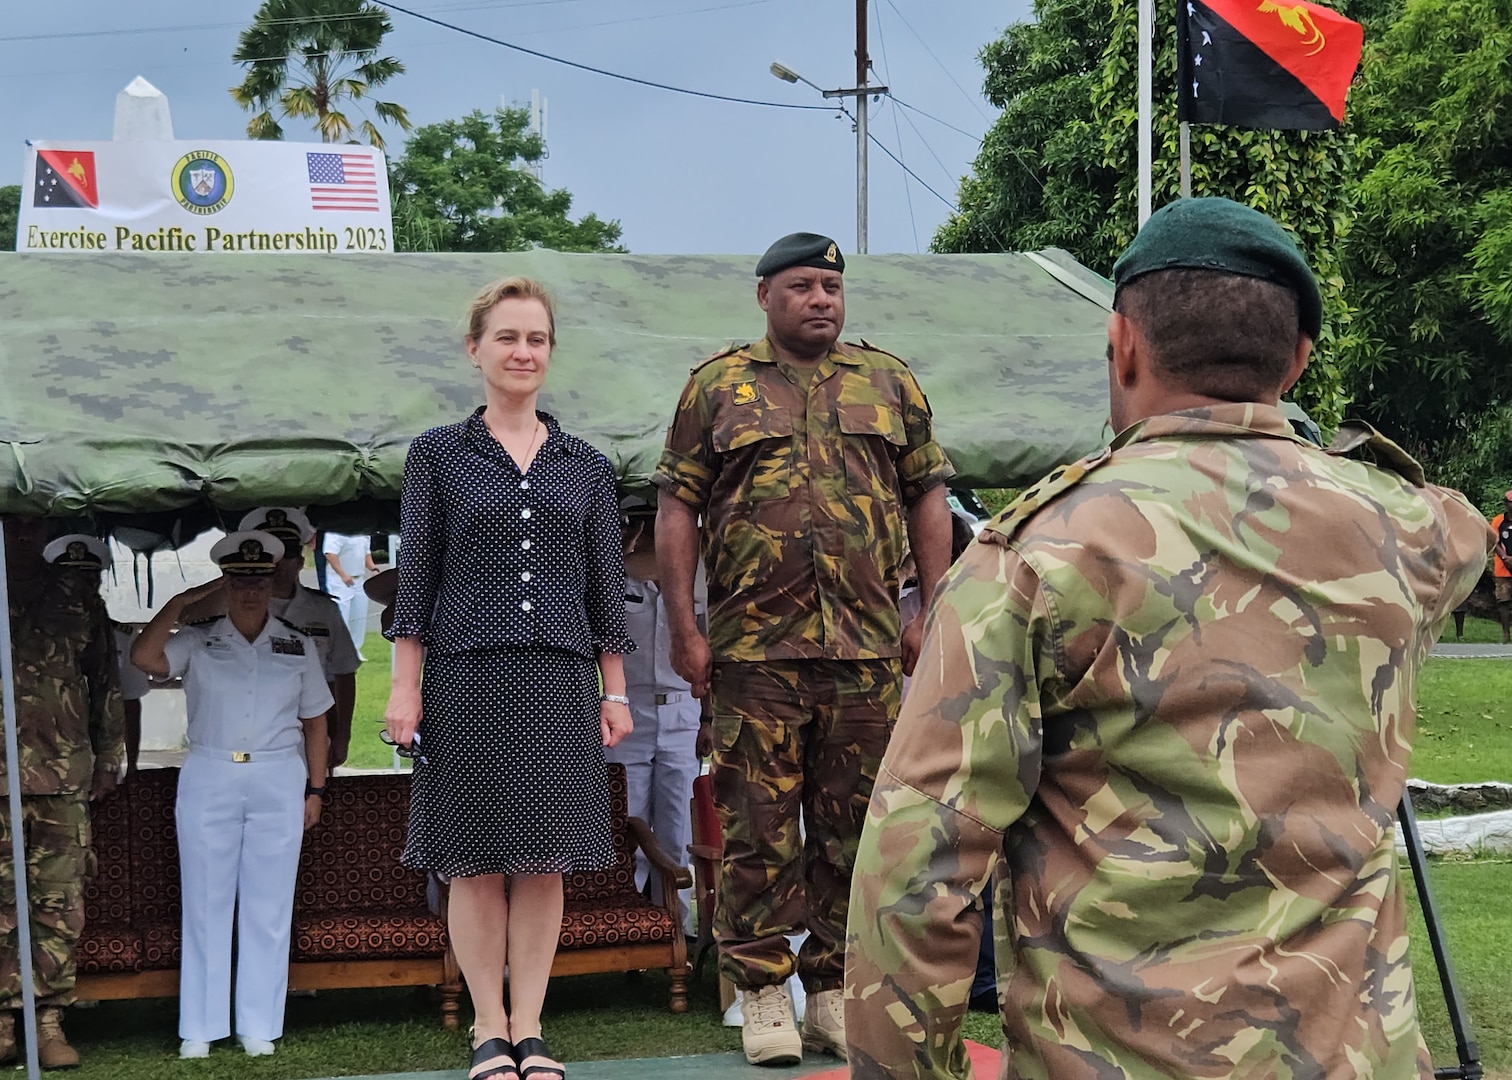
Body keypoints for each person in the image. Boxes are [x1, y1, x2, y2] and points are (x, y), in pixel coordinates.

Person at [843, 197, 1494, 1079]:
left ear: (1122, 344)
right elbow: (1469, 537)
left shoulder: (1032, 558)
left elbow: (915, 870)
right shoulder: (1411, 532)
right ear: (1298, 360)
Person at [653, 232, 954, 1066]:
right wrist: (685, 626)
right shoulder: (717, 387)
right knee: (757, 827)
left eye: (831, 285)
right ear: (764, 297)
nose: (820, 298)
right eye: (801, 286)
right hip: (755, 653)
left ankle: (828, 991)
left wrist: (932, 608)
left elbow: (929, 494)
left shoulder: (888, 382)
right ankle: (759, 994)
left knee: (854, 830)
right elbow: (677, 508)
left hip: (864, 650)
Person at [383, 276, 634, 1080]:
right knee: (472, 859)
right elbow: (415, 579)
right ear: (475, 350)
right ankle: (486, 1026)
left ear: (550, 354)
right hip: (465, 677)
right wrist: (403, 686)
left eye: (537, 339)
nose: (523, 352)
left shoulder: (586, 465)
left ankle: (531, 1025)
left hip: (560, 681)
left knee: (545, 860)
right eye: (508, 337)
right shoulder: (437, 455)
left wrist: (616, 688)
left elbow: (604, 591)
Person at [131, 530, 332, 1059]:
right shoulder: (198, 638)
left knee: (269, 906)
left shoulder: (297, 642)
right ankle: (200, 1025)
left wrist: (316, 789)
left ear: (273, 581)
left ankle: (258, 1024)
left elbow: (316, 725)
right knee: (205, 901)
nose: (250, 590)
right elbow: (145, 658)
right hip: (211, 772)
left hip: (276, 777)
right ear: (226, 581)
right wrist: (177, 603)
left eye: (259, 579)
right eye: (240, 579)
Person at [0, 524, 123, 1068]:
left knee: (59, 900)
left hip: (61, 775)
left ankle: (47, 1021)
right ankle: (2, 1021)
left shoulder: (76, 595)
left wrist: (108, 756)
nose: (21, 536)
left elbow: (104, 679)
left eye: (30, 526)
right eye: (11, 526)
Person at [609, 500, 707, 931]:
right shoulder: (613, 575)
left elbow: (709, 648)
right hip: (627, 711)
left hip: (683, 709)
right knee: (625, 822)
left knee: (677, 825)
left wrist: (709, 720)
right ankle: (627, 924)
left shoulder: (696, 577)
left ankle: (677, 929)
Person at [323, 531, 376, 659]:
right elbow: (330, 553)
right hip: (340, 580)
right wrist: (343, 575)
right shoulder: (336, 531)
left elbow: (366, 552)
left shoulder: (363, 531)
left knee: (359, 616)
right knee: (342, 616)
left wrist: (373, 568)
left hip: (358, 579)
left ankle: (355, 650)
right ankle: (339, 651)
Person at [1491, 491, 1512, 643]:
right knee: (1503, 601)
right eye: (1510, 502)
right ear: (1506, 503)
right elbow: (1493, 541)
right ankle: (1506, 634)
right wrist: (1505, 557)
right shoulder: (1498, 521)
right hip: (1503, 568)